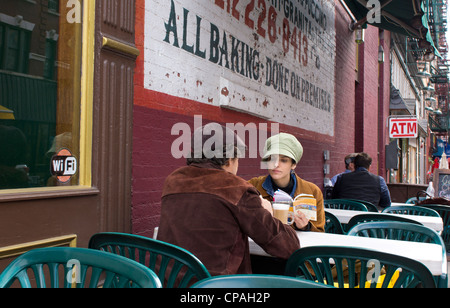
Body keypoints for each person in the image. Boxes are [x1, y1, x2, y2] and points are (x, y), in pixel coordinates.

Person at [158, 123, 301, 276]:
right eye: (237, 159)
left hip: (167, 281)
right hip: (216, 286)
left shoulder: (173, 181)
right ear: (229, 160)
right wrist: (268, 213)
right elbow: (288, 246)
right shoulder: (237, 189)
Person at [248, 133, 325, 233]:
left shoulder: (312, 192)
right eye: (272, 159)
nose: (276, 164)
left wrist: (305, 227)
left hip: (299, 247)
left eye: (284, 160)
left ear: (293, 164)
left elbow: (320, 232)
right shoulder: (253, 186)